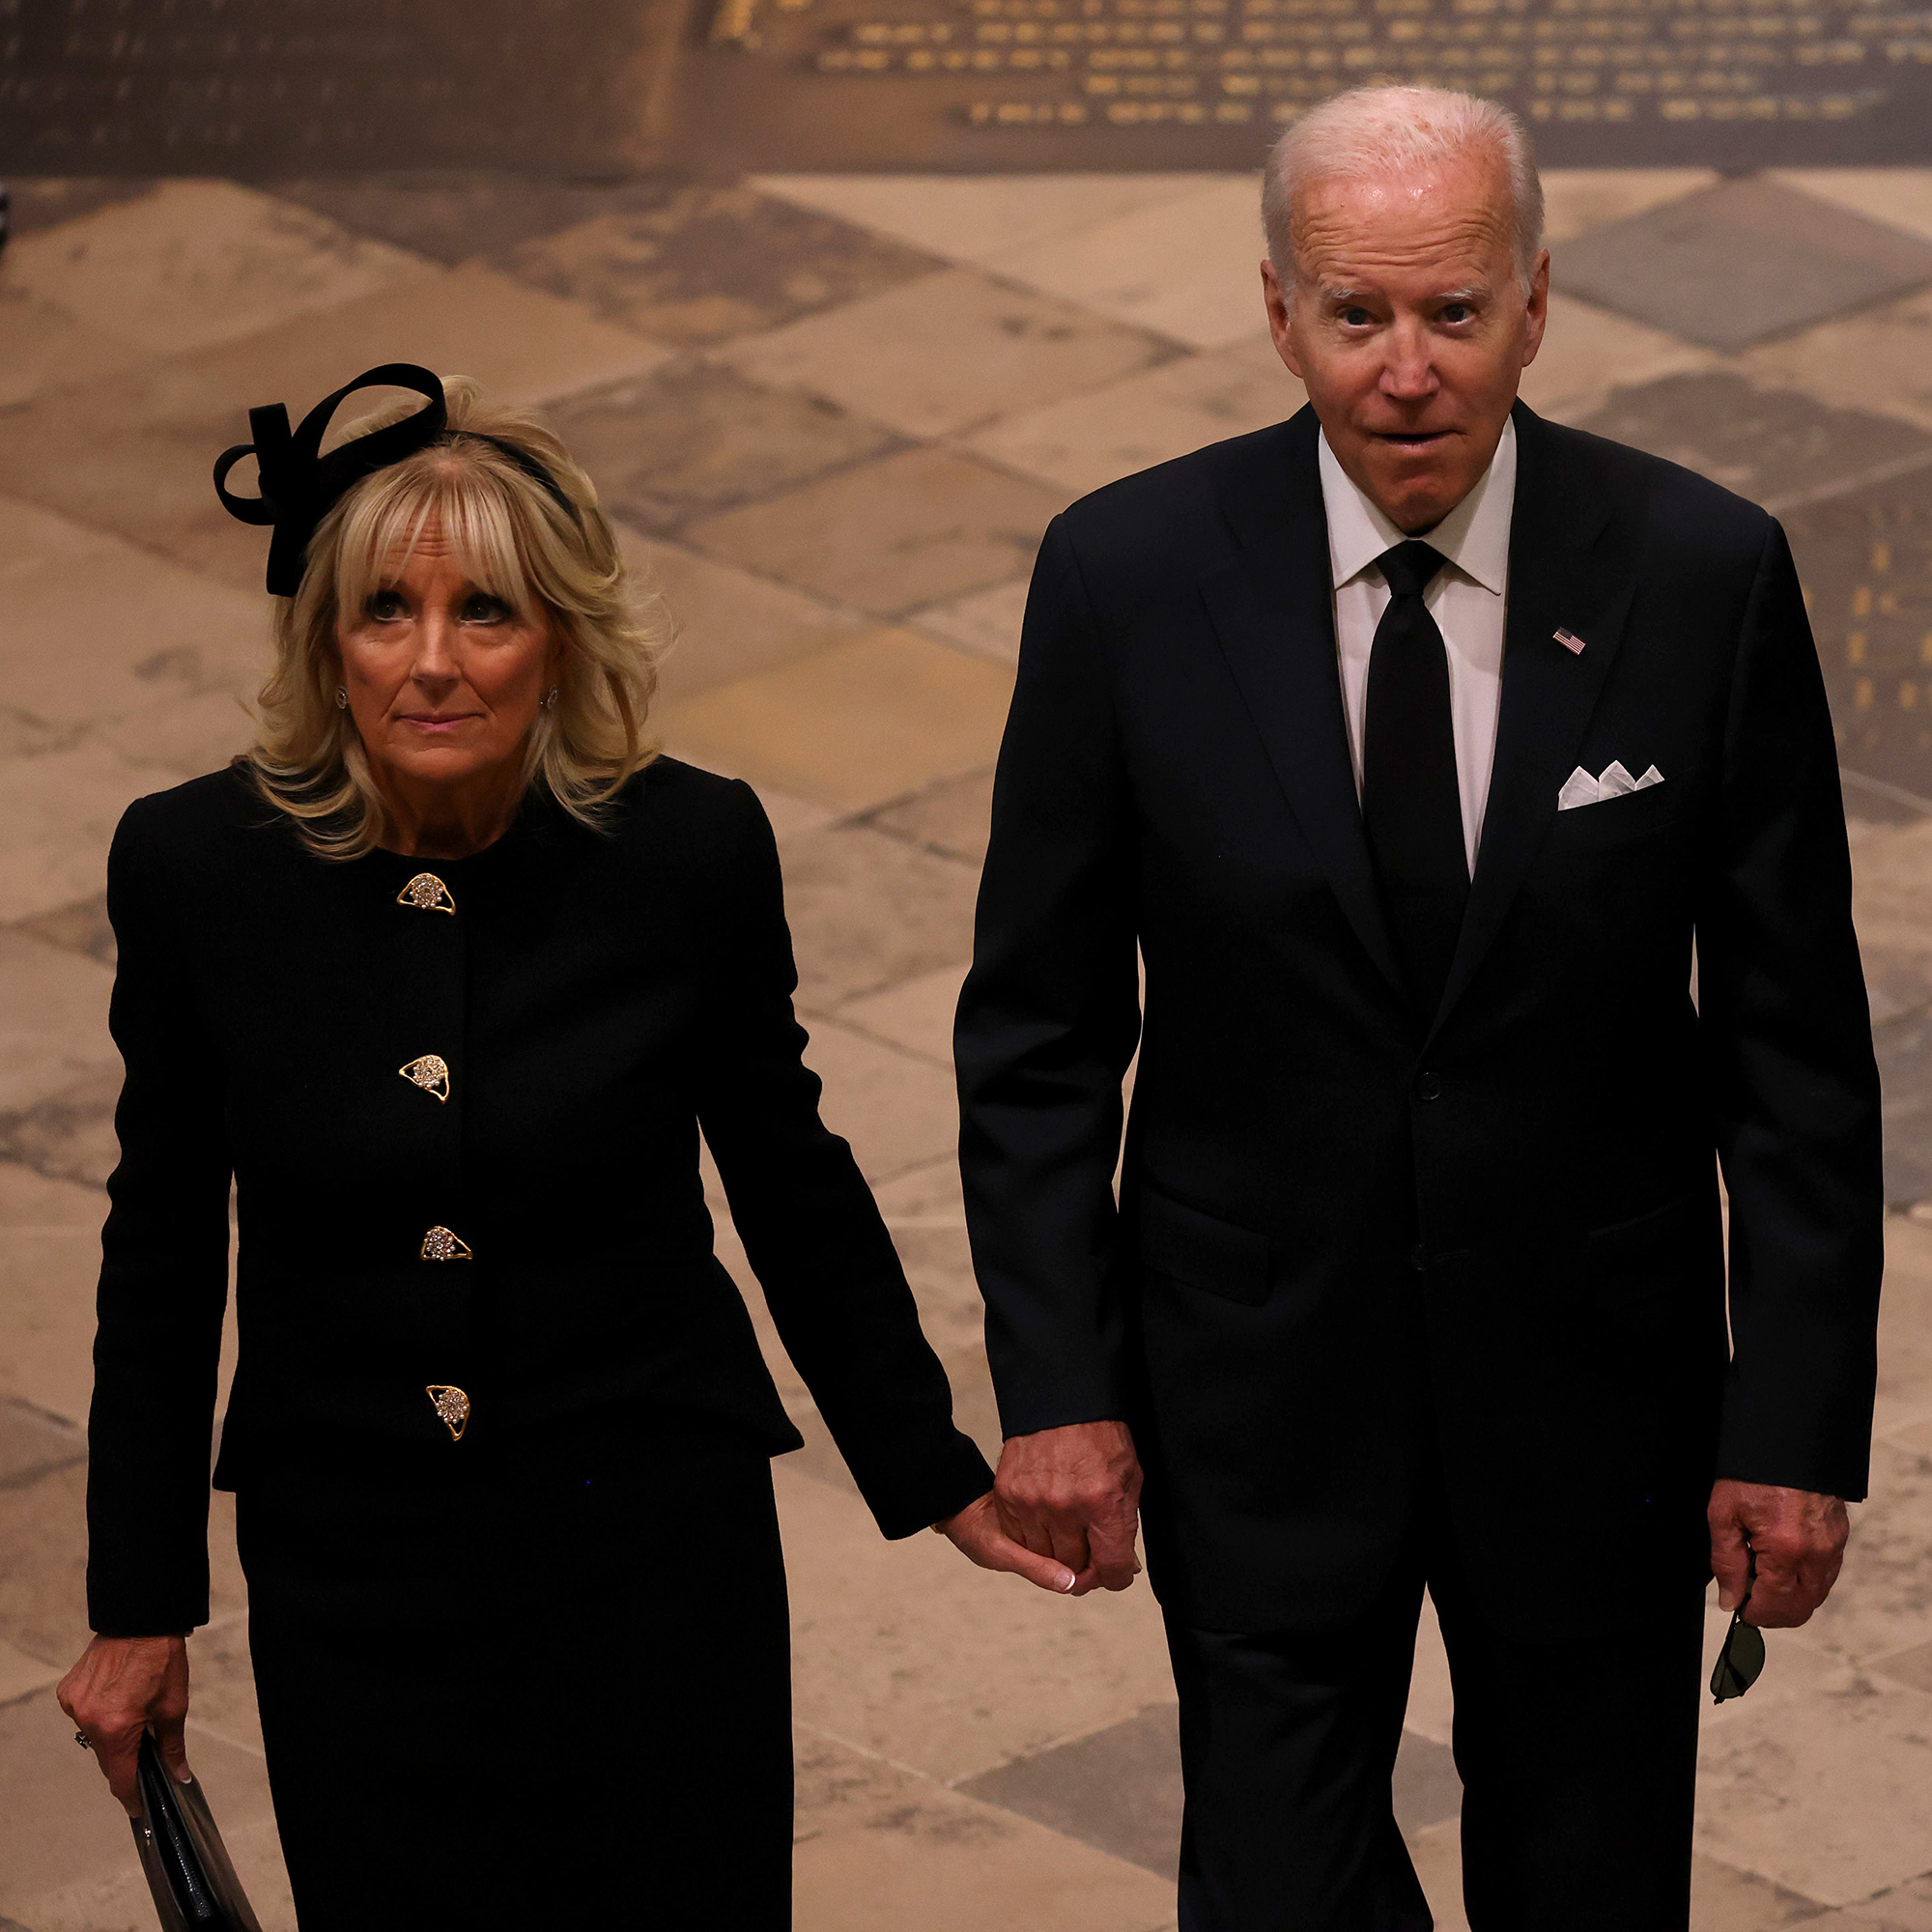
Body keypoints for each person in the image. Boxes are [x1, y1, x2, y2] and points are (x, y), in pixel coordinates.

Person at [954, 86, 1883, 1929]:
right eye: (1357, 315)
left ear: (1536, 304)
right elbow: (1041, 1029)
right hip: (1258, 1394)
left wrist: (1790, 1425)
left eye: (1453, 314)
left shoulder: (1699, 574)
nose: (1405, 372)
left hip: (1595, 1400)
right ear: (1279, 312)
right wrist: (1058, 1385)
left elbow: (1794, 1048)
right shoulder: (1127, 575)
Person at [56, 364, 1069, 1929]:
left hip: (651, 1533)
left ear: (566, 641)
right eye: (388, 611)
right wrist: (140, 1604)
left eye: (490, 615)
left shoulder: (687, 849)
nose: (435, 663)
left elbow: (788, 1175)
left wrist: (928, 1464)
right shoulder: (196, 869)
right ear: (327, 641)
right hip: (356, 1554)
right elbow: (165, 1243)